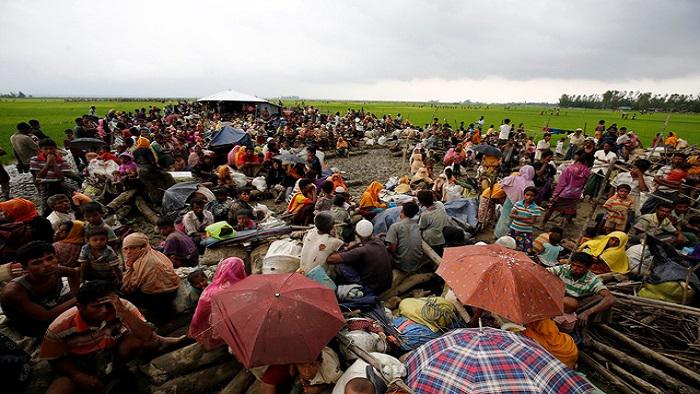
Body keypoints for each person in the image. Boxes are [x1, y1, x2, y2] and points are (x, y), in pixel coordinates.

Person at [40, 281, 179, 394]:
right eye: (96, 307)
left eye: (108, 305)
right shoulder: (59, 327)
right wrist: (77, 376)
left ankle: (138, 367)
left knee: (144, 340)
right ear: (80, 307)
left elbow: (147, 337)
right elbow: (54, 359)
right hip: (80, 363)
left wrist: (121, 309)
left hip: (114, 351)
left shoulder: (120, 306)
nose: (104, 310)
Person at [0, 241, 79, 338]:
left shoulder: (57, 271)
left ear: (56, 257)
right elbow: (45, 316)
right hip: (31, 323)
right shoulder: (14, 290)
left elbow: (73, 273)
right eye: (37, 262)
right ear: (25, 267)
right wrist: (79, 298)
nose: (47, 264)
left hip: (51, 306)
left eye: (50, 258)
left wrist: (75, 294)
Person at [189, 257, 246, 350]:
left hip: (220, 326)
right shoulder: (244, 287)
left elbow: (199, 315)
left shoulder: (209, 291)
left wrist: (196, 327)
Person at [547, 252, 616, 329]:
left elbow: (610, 298)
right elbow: (542, 272)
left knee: (599, 298)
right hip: (558, 298)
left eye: (580, 267)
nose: (574, 269)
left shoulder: (592, 280)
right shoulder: (564, 269)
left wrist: (587, 313)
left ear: (588, 268)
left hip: (576, 306)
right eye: (573, 265)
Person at [327, 220, 393, 296]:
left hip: (371, 289)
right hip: (386, 284)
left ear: (357, 234)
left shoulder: (361, 251)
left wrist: (345, 249)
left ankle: (357, 287)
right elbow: (374, 238)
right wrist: (353, 245)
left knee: (340, 265)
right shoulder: (379, 242)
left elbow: (331, 259)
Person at [120, 233, 180, 315]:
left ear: (143, 247)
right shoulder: (144, 258)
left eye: (133, 248)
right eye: (126, 249)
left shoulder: (148, 262)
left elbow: (140, 285)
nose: (128, 252)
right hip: (164, 293)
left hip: (160, 295)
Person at [543, 153, 591, 225]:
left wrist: (555, 195)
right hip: (576, 194)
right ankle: (562, 226)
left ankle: (543, 224)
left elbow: (562, 183)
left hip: (564, 192)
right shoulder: (587, 171)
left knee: (552, 208)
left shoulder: (569, 168)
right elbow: (585, 184)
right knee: (569, 211)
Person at [385, 202, 425, 286]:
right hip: (416, 262)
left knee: (383, 252)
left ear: (402, 211)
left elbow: (393, 249)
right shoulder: (416, 225)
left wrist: (385, 247)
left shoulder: (395, 226)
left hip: (402, 265)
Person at [493, 165, 535, 238]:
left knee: (504, 217)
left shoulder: (515, 178)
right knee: (515, 220)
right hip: (521, 204)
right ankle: (510, 236)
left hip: (509, 200)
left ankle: (499, 234)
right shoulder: (531, 183)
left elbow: (502, 182)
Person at [417, 190, 451, 256]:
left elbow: (420, 227)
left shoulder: (425, 215)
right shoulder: (440, 206)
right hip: (444, 235)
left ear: (422, 202)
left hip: (435, 240)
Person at [509, 186, 542, 253]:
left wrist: (517, 217)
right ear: (524, 195)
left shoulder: (535, 208)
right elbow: (511, 215)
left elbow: (532, 221)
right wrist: (524, 218)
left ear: (535, 197)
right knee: (512, 247)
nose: (529, 197)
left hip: (526, 232)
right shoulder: (518, 204)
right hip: (514, 229)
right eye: (527, 195)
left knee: (525, 249)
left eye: (532, 195)